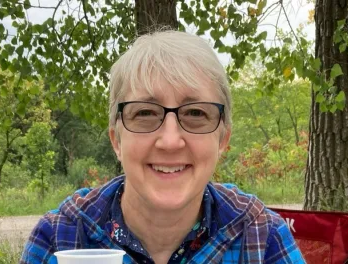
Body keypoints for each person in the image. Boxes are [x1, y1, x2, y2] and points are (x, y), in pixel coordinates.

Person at [20, 30, 305, 264]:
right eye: (145, 113)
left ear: (223, 140)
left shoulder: (261, 237)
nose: (170, 141)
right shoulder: (60, 236)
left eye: (195, 114)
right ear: (116, 141)